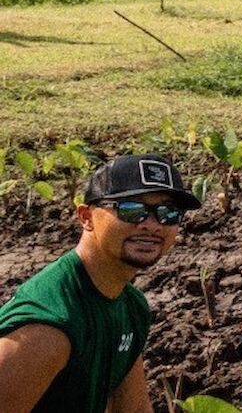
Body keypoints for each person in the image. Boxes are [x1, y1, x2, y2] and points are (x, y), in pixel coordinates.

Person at [0, 155, 201, 413]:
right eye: (131, 209)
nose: (152, 225)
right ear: (86, 217)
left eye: (168, 213)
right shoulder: (50, 326)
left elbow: (134, 408)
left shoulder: (131, 306)